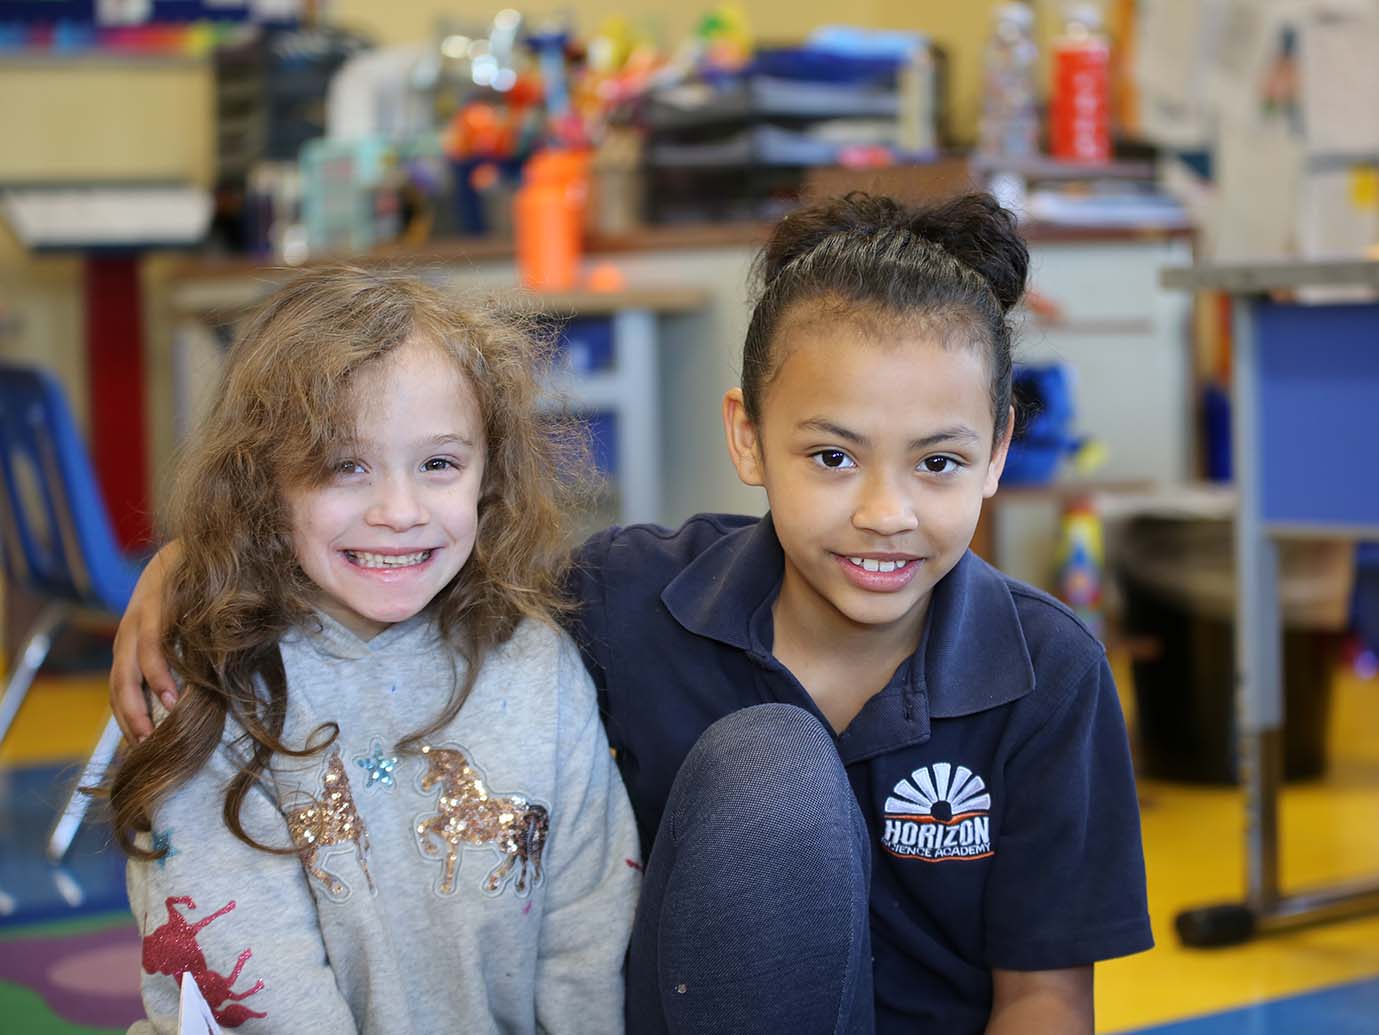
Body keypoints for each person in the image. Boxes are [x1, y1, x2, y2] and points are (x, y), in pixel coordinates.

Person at [112, 192, 1153, 1034]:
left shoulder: (1047, 668)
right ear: (746, 440)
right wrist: (195, 568)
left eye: (938, 462)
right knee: (770, 768)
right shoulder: (619, 601)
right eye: (830, 456)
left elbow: (1045, 1001)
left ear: (997, 451)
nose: (883, 513)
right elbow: (417, 570)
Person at [108, 267, 639, 1033]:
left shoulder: (539, 662)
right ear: (265, 482)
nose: (399, 511)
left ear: (488, 476)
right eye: (344, 465)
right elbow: (257, 981)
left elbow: (589, 931)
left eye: (438, 464)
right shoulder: (207, 683)